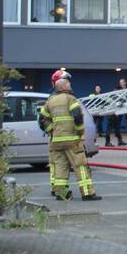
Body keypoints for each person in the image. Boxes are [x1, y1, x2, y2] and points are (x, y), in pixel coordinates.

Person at [38, 69, 102, 201]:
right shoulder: (70, 99)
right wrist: (80, 132)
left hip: (56, 141)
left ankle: (62, 194)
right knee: (80, 166)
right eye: (67, 82)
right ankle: (87, 193)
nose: (69, 84)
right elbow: (77, 116)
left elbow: (42, 120)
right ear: (63, 85)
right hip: (72, 140)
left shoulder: (50, 101)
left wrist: (52, 131)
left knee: (60, 166)